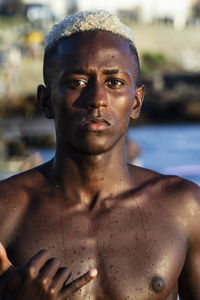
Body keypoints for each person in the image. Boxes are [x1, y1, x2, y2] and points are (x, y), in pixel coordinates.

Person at [0, 10, 200, 300]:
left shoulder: (184, 207)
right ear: (46, 101)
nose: (96, 98)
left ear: (136, 101)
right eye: (76, 82)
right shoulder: (6, 210)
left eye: (115, 82)